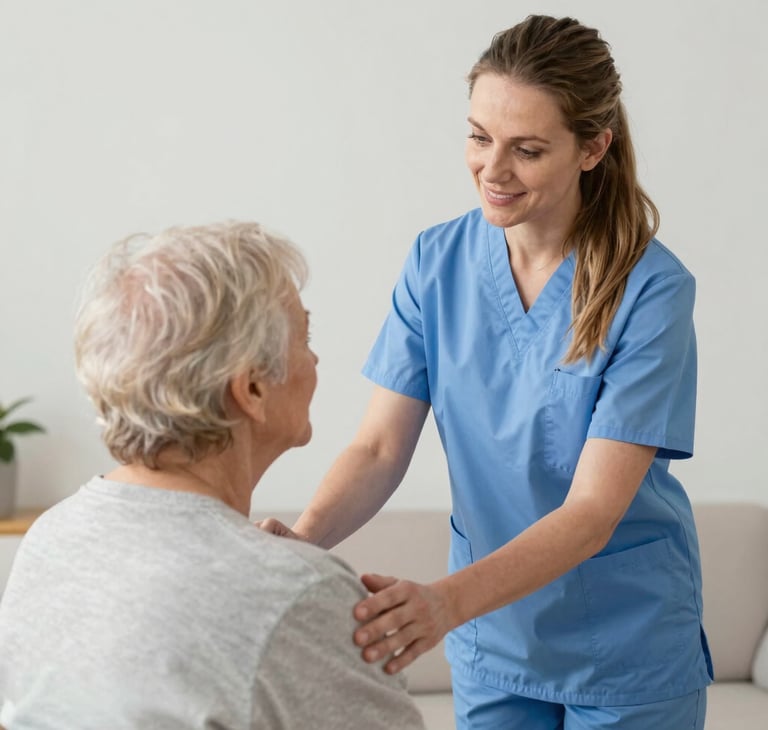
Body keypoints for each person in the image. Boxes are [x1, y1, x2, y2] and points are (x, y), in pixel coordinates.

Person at [259, 15, 713, 730]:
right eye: (479, 137)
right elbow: (378, 448)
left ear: (593, 147)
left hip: (624, 643)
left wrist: (443, 603)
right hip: (494, 636)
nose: (492, 171)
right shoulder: (435, 263)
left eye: (527, 150)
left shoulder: (651, 291)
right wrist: (304, 542)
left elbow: (592, 512)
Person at [0, 222, 425, 730]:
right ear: (251, 389)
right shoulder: (294, 592)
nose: (314, 359)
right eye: (304, 337)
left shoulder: (52, 537)